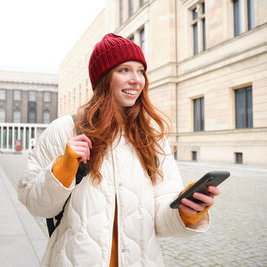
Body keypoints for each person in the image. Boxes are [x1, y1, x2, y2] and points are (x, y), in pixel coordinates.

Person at [18, 33, 220, 267]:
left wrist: (185, 212)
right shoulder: (64, 130)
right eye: (124, 70)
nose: (136, 80)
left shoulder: (152, 136)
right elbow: (36, 204)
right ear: (103, 78)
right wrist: (63, 169)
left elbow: (159, 219)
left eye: (140, 71)